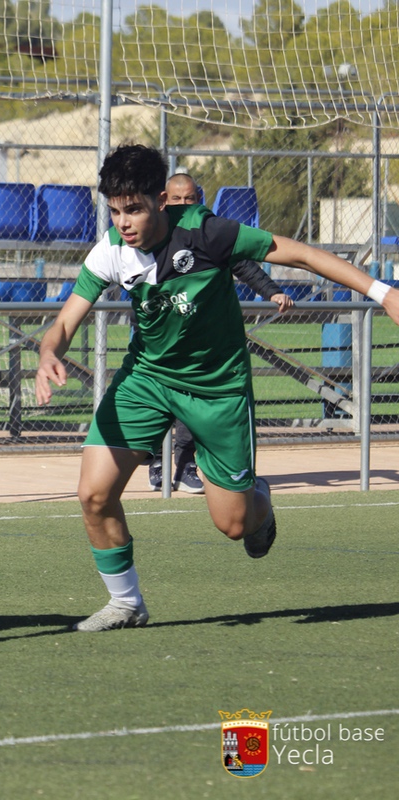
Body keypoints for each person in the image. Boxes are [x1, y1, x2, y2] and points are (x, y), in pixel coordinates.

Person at [35, 143, 399, 632]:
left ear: (161, 201)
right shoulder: (111, 251)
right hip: (147, 380)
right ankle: (126, 603)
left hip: (217, 390)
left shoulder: (208, 233)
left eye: (134, 209)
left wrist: (383, 293)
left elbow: (303, 254)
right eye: (115, 211)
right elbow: (65, 321)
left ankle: (258, 501)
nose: (123, 222)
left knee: (234, 525)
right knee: (93, 495)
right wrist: (48, 352)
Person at [146, 173, 296, 495]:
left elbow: (242, 263)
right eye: (176, 199)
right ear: (163, 201)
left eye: (190, 199)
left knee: (192, 405)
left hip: (199, 341)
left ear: (199, 200)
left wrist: (271, 291)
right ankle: (156, 462)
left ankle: (185, 465)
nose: (183, 205)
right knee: (156, 402)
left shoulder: (207, 232)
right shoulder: (151, 233)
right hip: (159, 340)